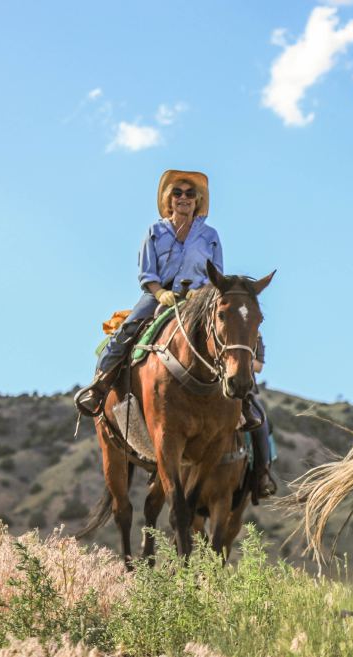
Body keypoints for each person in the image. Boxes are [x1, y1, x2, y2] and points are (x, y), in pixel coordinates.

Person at [75, 170, 260, 430]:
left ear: (198, 201)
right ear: (168, 199)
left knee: (232, 334)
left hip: (201, 298)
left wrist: (203, 292)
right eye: (177, 193)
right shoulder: (155, 231)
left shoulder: (210, 235)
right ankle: (100, 385)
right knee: (127, 329)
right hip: (158, 294)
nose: (183, 197)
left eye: (190, 193)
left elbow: (218, 275)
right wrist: (160, 292)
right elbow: (147, 271)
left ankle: (245, 401)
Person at [248, 334, 277, 500]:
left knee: (261, 425)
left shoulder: (255, 335)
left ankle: (262, 476)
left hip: (243, 388)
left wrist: (239, 359)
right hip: (211, 385)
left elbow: (258, 367)